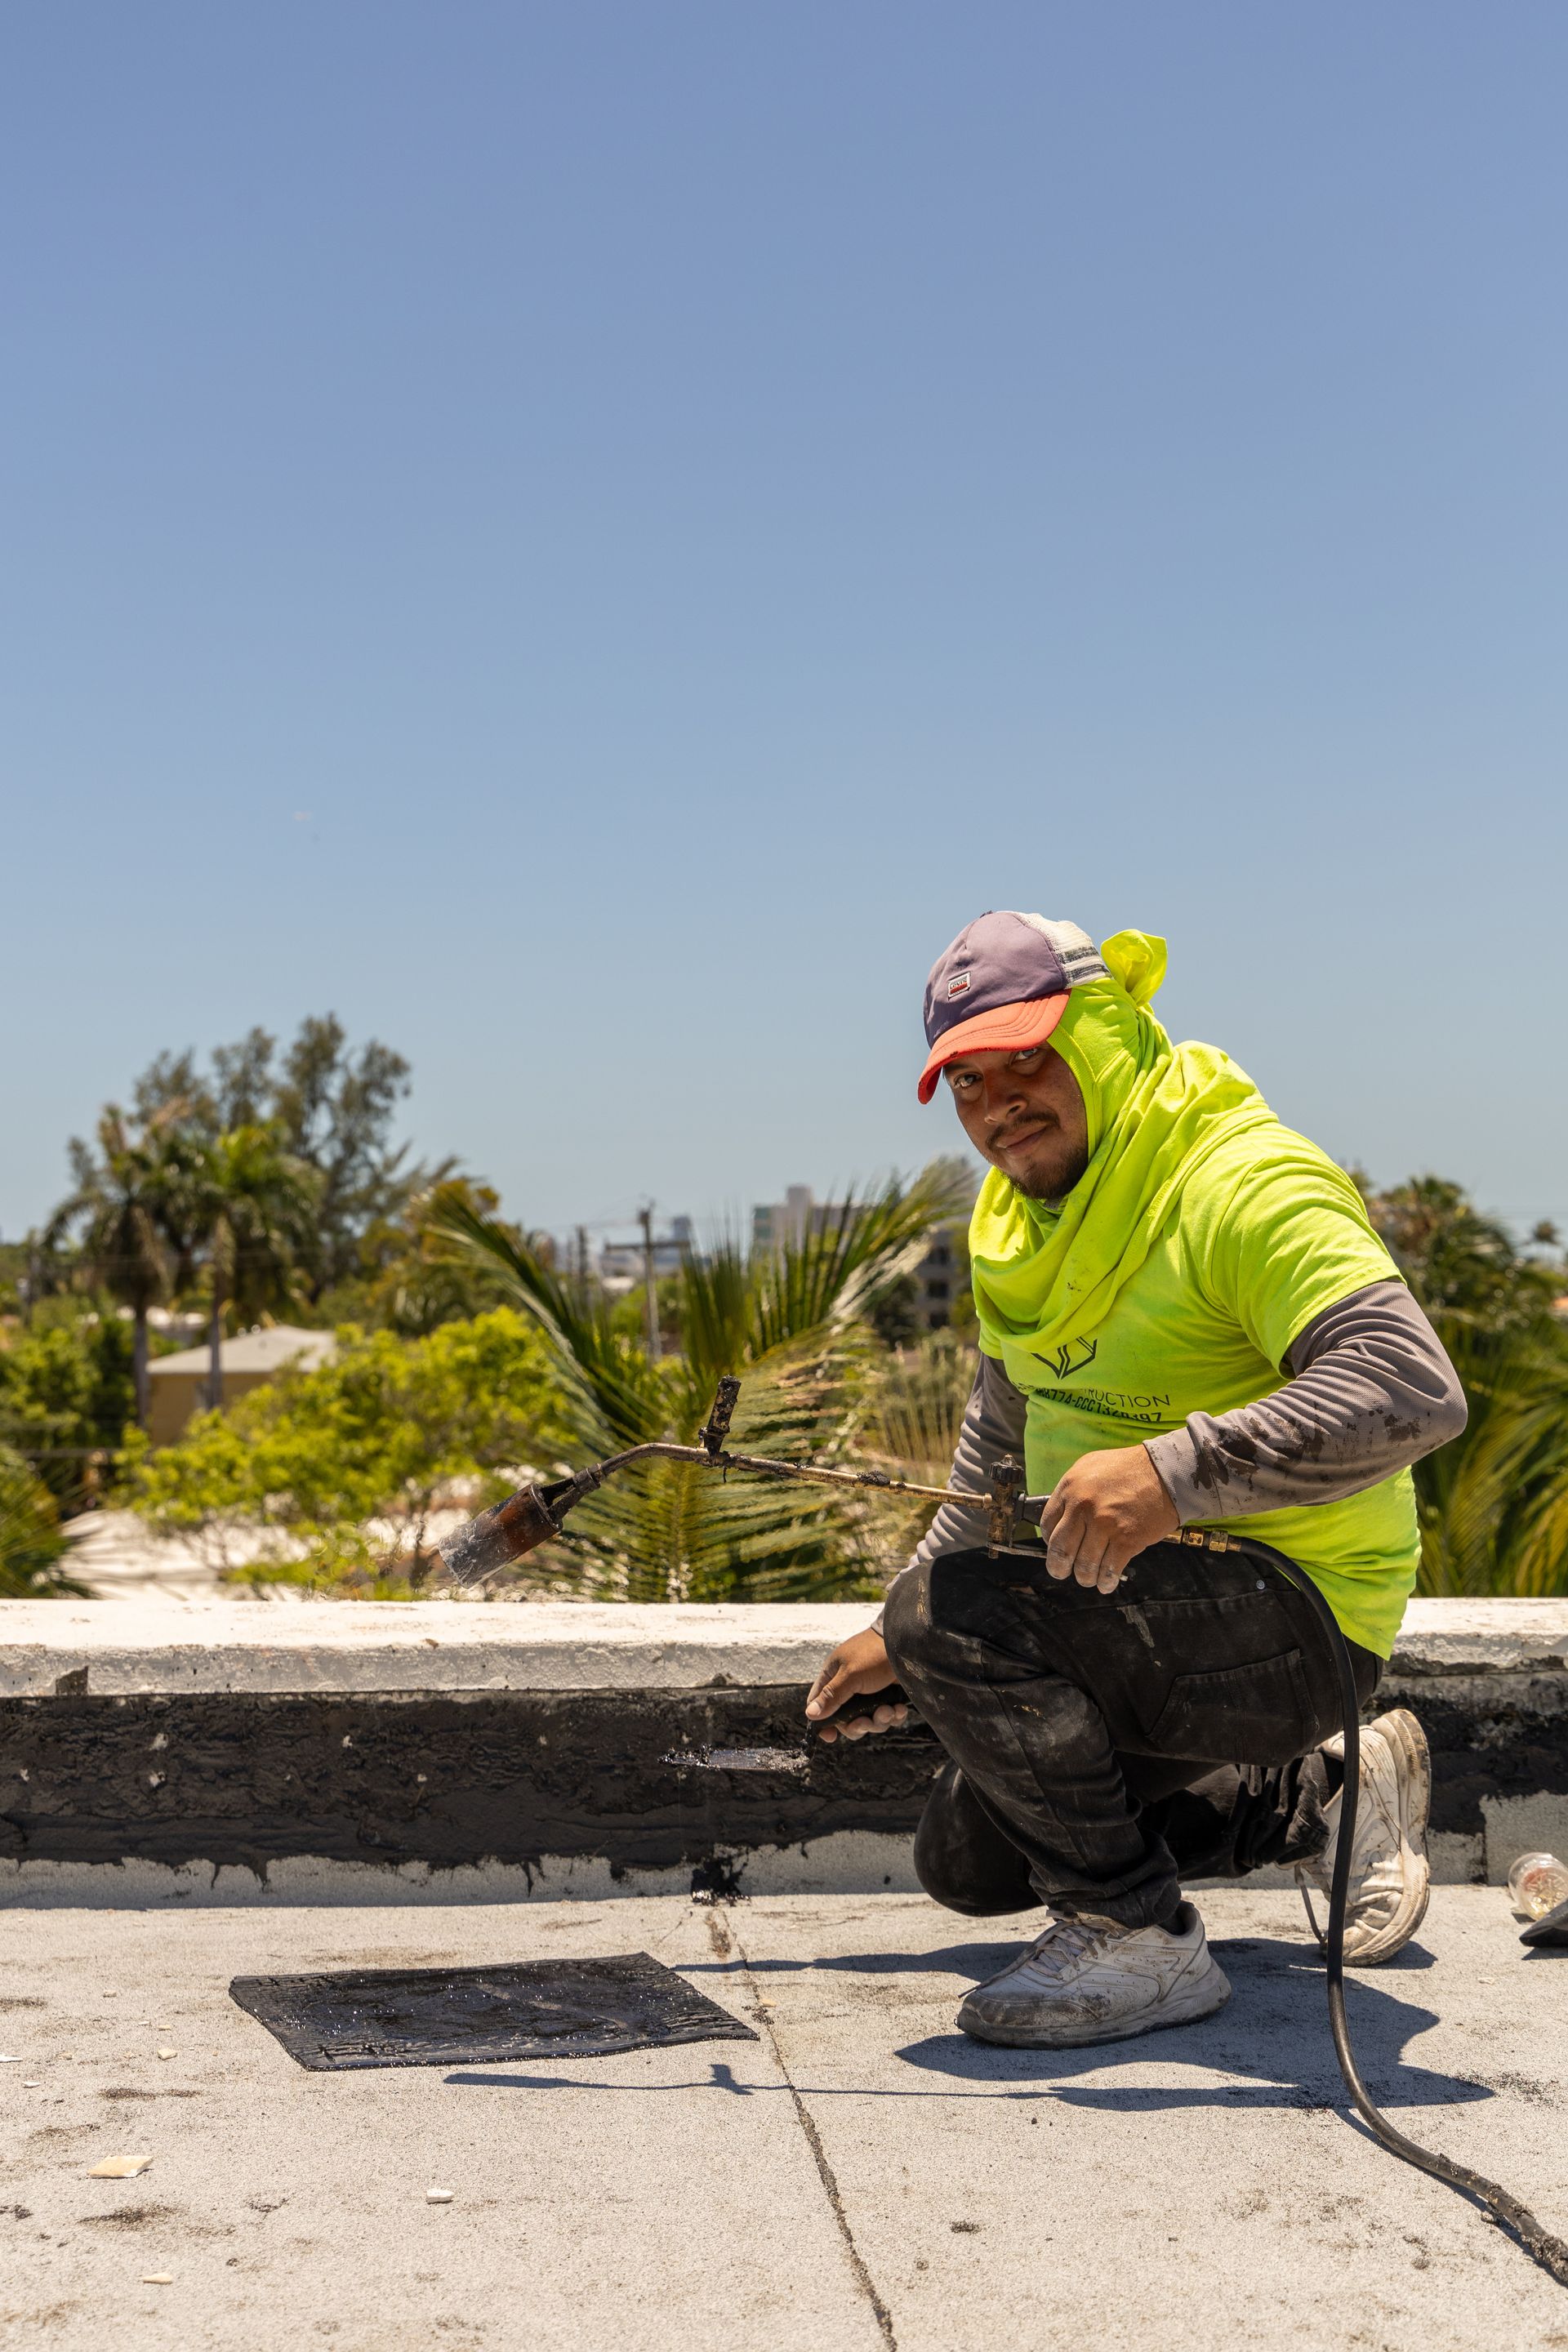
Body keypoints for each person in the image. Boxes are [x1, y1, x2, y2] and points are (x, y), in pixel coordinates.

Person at [804, 912, 1466, 2049]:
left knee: (950, 1624)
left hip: (1298, 1607)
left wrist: (1179, 1471)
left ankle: (1141, 1937)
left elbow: (1414, 1386)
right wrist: (900, 1629)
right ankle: (1327, 1793)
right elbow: (994, 1453)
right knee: (966, 1860)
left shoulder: (1239, 1181)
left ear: (1107, 1036)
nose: (1000, 1099)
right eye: (966, 1078)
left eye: (1029, 1056)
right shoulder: (1015, 1223)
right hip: (1133, 1602)